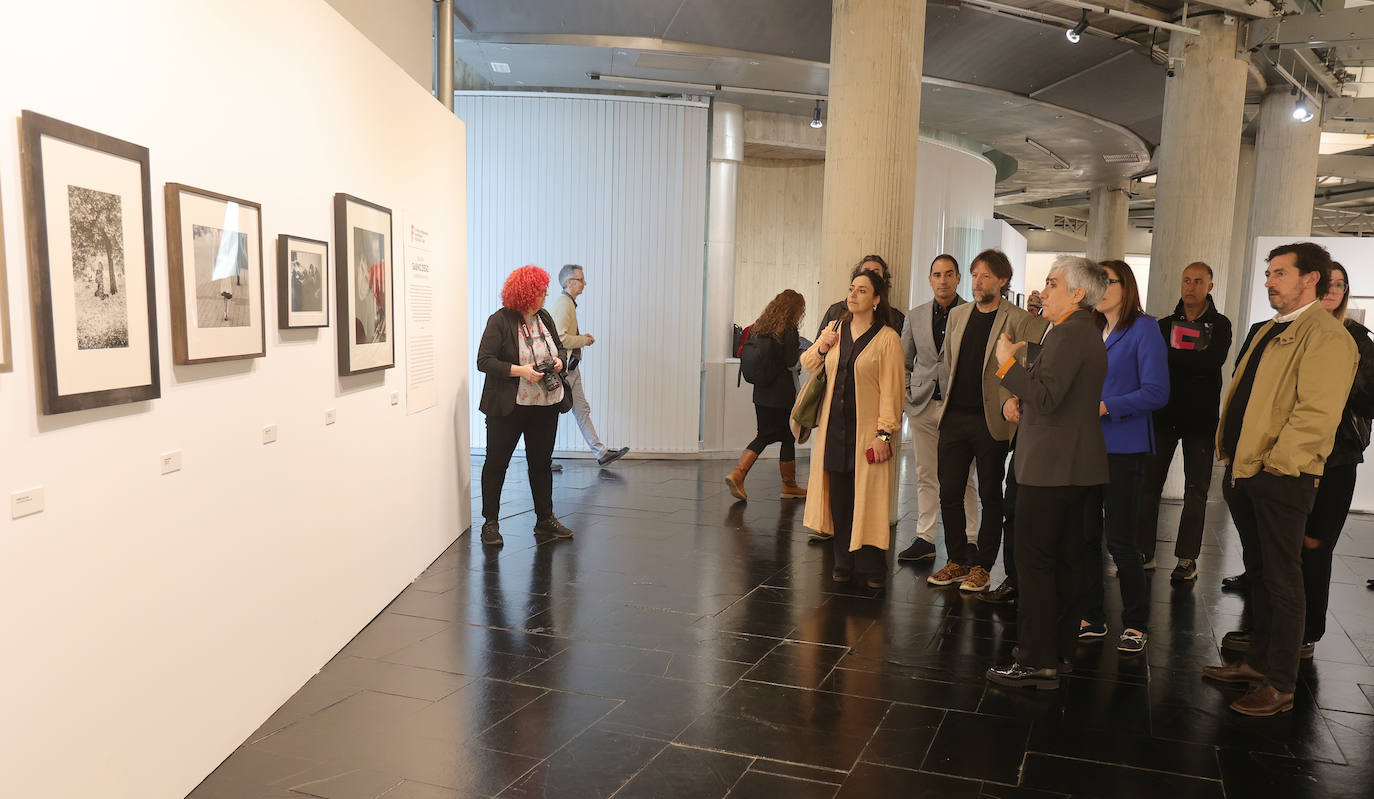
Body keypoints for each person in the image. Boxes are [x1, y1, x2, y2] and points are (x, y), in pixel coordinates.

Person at [1202, 242, 1356, 717]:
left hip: (1281, 477)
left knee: (1286, 580)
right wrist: (1238, 462)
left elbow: (1315, 415)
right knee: (1263, 575)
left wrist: (1275, 466)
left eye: (1281, 273)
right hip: (1247, 470)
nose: (1269, 281)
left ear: (1313, 279)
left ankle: (1281, 683)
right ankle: (1258, 662)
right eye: (1269, 273)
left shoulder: (1327, 337)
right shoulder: (1272, 328)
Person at [1220, 262, 1374, 661]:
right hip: (1262, 461)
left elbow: (1326, 409)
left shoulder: (1348, 340)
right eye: (1329, 282)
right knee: (1266, 556)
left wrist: (1280, 461)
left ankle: (1299, 640)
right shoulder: (1268, 330)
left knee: (1309, 550)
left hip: (1328, 461)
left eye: (1340, 284)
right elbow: (1249, 388)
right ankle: (1263, 639)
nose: (1332, 291)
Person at [985, 256, 1109, 690]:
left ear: (1077, 293)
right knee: (1065, 561)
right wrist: (1024, 397)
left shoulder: (1071, 333)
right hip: (1069, 465)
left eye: (1053, 283)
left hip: (1051, 467)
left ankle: (1036, 659)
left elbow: (1047, 396)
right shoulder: (1079, 332)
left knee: (1036, 563)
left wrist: (1005, 364)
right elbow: (1054, 396)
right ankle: (1056, 652)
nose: (1044, 289)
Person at [927, 249, 1048, 593]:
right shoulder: (958, 315)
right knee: (949, 492)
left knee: (991, 495)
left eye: (986, 277)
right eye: (975, 275)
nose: (979, 282)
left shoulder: (1018, 318)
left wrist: (1015, 398)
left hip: (991, 420)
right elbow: (949, 361)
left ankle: (983, 565)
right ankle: (958, 560)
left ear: (1002, 281)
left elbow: (1037, 352)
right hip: (954, 417)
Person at [1077, 261, 1169, 655]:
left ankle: (1135, 621)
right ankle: (1093, 616)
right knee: (1083, 538)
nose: (1101, 288)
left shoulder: (1144, 328)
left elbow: (1156, 392)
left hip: (1124, 446)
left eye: (1108, 281)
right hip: (1085, 446)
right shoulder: (1090, 328)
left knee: (1121, 541)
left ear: (1126, 286)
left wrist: (1106, 406)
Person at [801, 270, 905, 589]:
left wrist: (884, 433)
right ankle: (842, 560)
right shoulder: (835, 329)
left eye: (862, 290)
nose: (853, 295)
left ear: (876, 300)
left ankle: (872, 564)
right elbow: (807, 363)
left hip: (867, 432)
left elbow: (893, 390)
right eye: (851, 289)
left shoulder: (887, 338)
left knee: (870, 497)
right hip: (834, 429)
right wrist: (822, 346)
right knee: (841, 498)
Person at [1136, 262, 1232, 582]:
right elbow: (1155, 362)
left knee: (1196, 491)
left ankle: (1187, 558)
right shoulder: (1162, 325)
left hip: (1200, 421)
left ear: (1210, 286)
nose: (1190, 286)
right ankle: (1144, 551)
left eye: (1198, 281)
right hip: (1162, 416)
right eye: (1186, 280)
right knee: (1148, 487)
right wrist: (1192, 357)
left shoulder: (1221, 325)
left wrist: (1173, 356)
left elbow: (1212, 361)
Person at [475, 265, 577, 547]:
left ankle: (545, 520)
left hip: (545, 404)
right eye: (542, 290)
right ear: (527, 293)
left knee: (541, 464)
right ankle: (490, 523)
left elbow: (561, 349)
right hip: (508, 406)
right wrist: (521, 371)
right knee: (497, 464)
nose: (546, 295)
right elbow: (484, 360)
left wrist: (558, 362)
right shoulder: (500, 321)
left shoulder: (544, 317)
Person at [897, 254, 978, 563]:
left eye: (948, 274)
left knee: (964, 478)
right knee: (926, 474)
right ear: (930, 279)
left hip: (959, 409)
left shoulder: (972, 313)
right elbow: (904, 361)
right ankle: (925, 537)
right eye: (936, 275)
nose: (942, 280)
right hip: (922, 405)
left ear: (958, 278)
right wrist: (907, 395)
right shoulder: (914, 316)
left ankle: (970, 539)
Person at [726, 289, 808, 500]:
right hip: (781, 395)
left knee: (765, 435)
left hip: (761, 393)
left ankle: (742, 474)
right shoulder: (788, 329)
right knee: (787, 437)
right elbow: (792, 363)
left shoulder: (760, 327)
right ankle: (783, 485)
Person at [546, 264, 630, 468]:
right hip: (564, 371)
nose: (585, 283)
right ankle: (542, 460)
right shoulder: (564, 304)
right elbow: (561, 338)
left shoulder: (568, 303)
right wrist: (583, 340)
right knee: (550, 416)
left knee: (582, 410)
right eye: (581, 279)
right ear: (569, 282)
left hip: (571, 369)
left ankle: (601, 453)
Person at [816, 255, 906, 336]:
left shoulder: (896, 318)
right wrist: (822, 348)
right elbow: (814, 351)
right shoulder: (836, 311)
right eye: (866, 272)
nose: (870, 276)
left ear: (884, 280)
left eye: (876, 273)